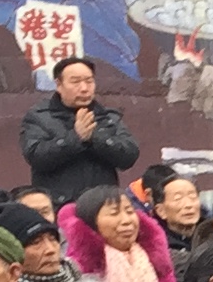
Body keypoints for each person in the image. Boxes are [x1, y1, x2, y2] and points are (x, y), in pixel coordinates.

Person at [21, 54, 139, 212]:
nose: (84, 88)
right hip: (59, 208)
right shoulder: (39, 117)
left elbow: (129, 156)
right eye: (75, 82)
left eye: (89, 81)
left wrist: (94, 138)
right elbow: (36, 156)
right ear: (59, 84)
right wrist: (76, 137)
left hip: (102, 208)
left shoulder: (108, 117)